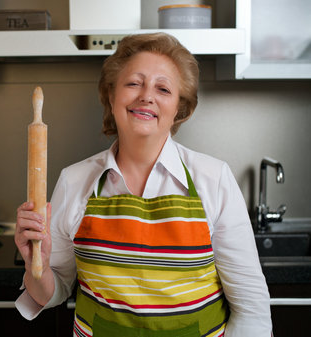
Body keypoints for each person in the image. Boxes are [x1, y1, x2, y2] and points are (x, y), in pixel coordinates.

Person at [15, 33, 272, 337]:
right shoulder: (75, 181)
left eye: (163, 88)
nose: (146, 96)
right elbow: (52, 292)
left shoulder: (213, 179)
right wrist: (38, 266)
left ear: (179, 108)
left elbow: (251, 308)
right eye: (134, 83)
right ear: (111, 97)